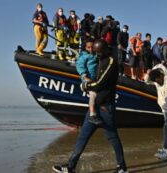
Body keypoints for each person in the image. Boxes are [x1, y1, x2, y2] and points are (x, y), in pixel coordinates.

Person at [52, 40, 128, 173]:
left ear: (104, 49)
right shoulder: (99, 59)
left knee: (112, 136)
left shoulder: (110, 61)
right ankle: (71, 166)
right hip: (95, 106)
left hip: (105, 106)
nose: (96, 54)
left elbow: (100, 83)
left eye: (98, 51)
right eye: (95, 51)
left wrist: (85, 86)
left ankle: (122, 167)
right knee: (83, 136)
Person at [75, 39, 102, 125]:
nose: (90, 49)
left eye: (92, 47)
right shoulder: (83, 57)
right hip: (86, 80)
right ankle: (92, 115)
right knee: (93, 94)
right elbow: (80, 65)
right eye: (88, 47)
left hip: (95, 80)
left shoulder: (97, 56)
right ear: (85, 48)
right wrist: (84, 76)